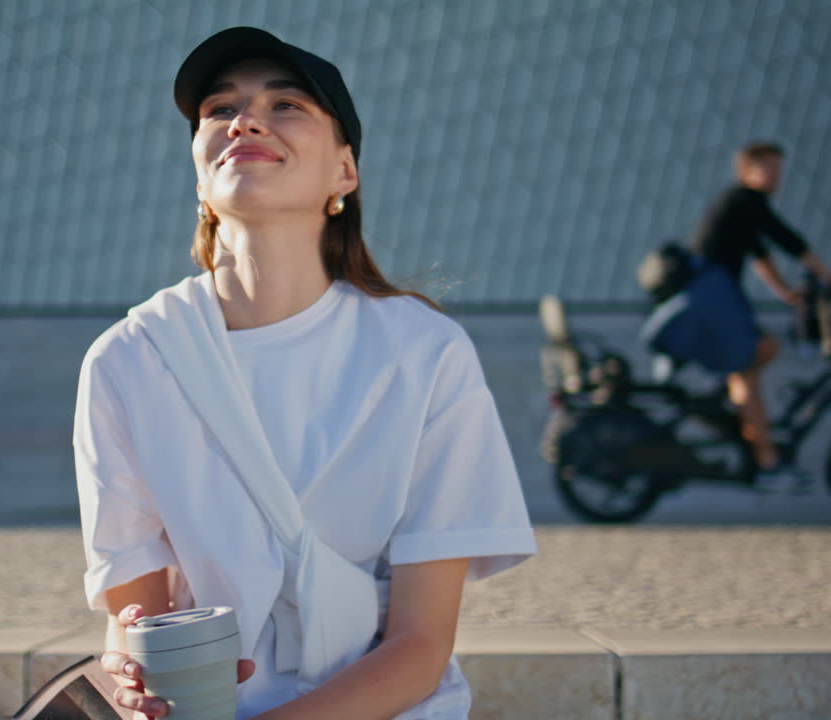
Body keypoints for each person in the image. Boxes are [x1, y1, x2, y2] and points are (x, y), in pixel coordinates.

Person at [73, 27, 535, 719]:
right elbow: (134, 621)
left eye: (286, 105)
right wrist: (132, 673)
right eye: (220, 110)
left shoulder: (425, 354)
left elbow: (420, 646)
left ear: (344, 172)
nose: (246, 119)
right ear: (200, 173)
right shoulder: (130, 360)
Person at [689, 141, 831, 479]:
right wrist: (827, 275)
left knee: (755, 357)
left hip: (717, 297)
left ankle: (739, 414)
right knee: (753, 356)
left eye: (779, 168)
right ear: (747, 170)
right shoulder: (744, 200)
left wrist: (787, 294)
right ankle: (766, 458)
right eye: (768, 167)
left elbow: (761, 255)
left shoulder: (742, 208)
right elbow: (786, 239)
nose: (777, 175)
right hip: (713, 296)